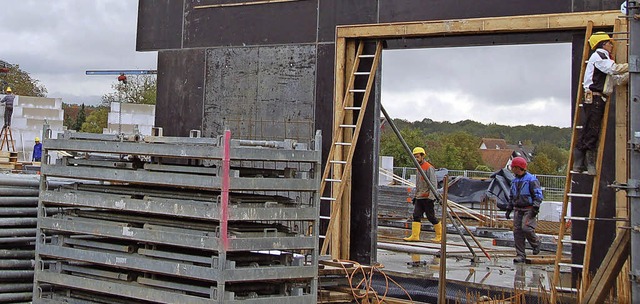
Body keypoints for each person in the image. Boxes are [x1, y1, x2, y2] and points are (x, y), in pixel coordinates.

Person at [573, 32, 629, 175]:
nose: (612, 45)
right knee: (591, 129)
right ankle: (584, 162)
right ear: (603, 44)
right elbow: (613, 69)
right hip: (595, 98)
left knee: (591, 129)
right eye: (609, 43)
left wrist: (631, 73)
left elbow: (615, 79)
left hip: (597, 98)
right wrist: (632, 65)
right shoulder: (600, 55)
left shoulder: (604, 59)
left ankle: (581, 162)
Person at [506, 157, 543, 263]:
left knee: (526, 228)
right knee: (517, 231)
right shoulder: (514, 181)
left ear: (518, 168)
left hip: (529, 208)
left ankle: (536, 242)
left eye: (513, 167)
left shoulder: (531, 180)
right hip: (518, 209)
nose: (512, 169)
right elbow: (512, 196)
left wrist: (536, 206)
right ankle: (520, 255)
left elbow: (538, 194)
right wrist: (509, 208)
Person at [404, 146, 442, 242]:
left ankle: (439, 236)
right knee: (416, 215)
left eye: (417, 156)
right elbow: (418, 184)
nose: (416, 158)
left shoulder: (429, 168)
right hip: (419, 197)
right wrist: (415, 196)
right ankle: (415, 236)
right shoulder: (418, 168)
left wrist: (431, 197)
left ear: (422, 156)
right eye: (415, 157)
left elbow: (433, 183)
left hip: (427, 197)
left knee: (431, 217)